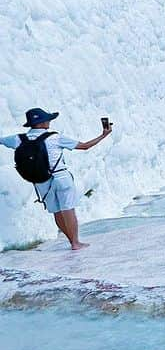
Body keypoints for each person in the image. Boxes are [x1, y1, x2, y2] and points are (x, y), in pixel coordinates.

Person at [3, 107, 113, 250]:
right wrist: (103, 135)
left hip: (42, 181)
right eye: (47, 119)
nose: (49, 121)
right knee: (68, 209)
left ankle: (71, 241)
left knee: (57, 211)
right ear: (42, 123)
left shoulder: (17, 139)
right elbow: (84, 146)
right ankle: (76, 243)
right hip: (61, 177)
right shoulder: (55, 137)